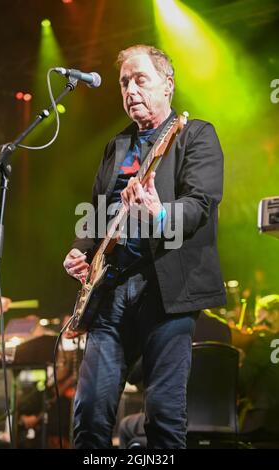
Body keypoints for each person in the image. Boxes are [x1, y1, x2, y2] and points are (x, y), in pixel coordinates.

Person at [63, 44, 226, 449]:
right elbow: (99, 211)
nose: (130, 89)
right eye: (123, 83)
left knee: (165, 418)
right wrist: (82, 249)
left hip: (166, 292)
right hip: (111, 292)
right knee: (89, 415)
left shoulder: (196, 135)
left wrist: (158, 214)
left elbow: (200, 204)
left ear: (167, 85)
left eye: (140, 79)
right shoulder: (116, 146)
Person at [238, 295, 279, 446]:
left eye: (259, 317)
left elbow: (241, 381)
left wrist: (239, 361)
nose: (256, 323)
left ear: (274, 314)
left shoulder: (264, 343)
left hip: (263, 425)